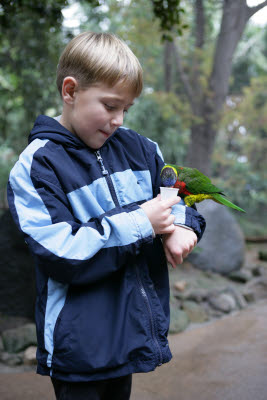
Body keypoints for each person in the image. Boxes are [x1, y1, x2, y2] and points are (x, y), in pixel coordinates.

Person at [7, 31, 206, 400]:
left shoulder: (139, 149)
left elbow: (179, 193)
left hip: (126, 336)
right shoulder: (37, 166)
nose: (118, 119)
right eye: (111, 106)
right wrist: (142, 223)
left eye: (126, 109)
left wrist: (179, 224)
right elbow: (61, 253)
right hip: (79, 345)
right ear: (70, 92)